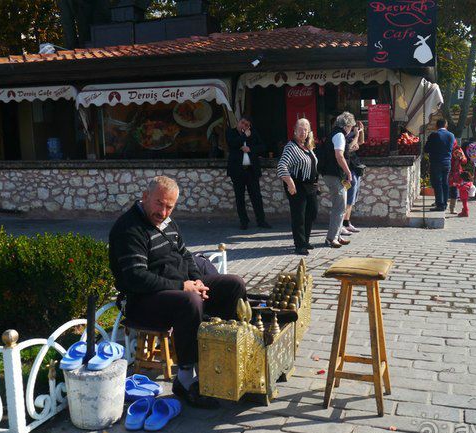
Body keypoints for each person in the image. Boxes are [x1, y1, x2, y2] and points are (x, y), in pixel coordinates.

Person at [108, 176, 246, 409]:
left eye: (169, 206)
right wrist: (184, 287)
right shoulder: (129, 229)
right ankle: (185, 379)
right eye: (159, 204)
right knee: (189, 301)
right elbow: (136, 277)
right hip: (142, 300)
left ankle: (222, 356)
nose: (163, 212)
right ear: (145, 197)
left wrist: (197, 281)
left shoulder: (168, 222)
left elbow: (184, 255)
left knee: (234, 284)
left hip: (176, 288)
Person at [277, 118, 319, 255]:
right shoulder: (291, 146)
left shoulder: (307, 146)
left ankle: (305, 240)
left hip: (310, 186)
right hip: (297, 185)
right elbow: (282, 166)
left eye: (306, 130)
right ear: (295, 131)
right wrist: (290, 183)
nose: (303, 132)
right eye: (300, 129)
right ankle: (299, 245)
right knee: (299, 216)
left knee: (312, 212)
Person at [226, 116, 271, 230]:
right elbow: (232, 144)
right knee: (239, 197)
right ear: (238, 122)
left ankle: (261, 220)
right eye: (242, 123)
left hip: (251, 170)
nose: (243, 126)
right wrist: (244, 136)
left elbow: (262, 147)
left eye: (246, 125)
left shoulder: (253, 133)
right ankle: (244, 221)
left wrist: (250, 149)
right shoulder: (231, 133)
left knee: (256, 196)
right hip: (237, 171)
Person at [320, 111, 355, 248]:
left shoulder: (334, 133)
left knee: (339, 206)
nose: (351, 129)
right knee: (339, 207)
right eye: (351, 127)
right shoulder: (340, 135)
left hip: (331, 174)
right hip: (335, 174)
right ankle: (331, 238)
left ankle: (337, 235)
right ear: (346, 125)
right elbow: (339, 156)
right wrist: (348, 172)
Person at [424, 119, 455, 211]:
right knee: (445, 183)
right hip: (447, 162)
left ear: (436, 126)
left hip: (436, 162)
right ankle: (444, 204)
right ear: (446, 125)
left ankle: (440, 205)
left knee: (437, 183)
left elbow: (426, 149)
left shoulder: (434, 135)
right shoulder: (451, 135)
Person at [341, 121, 365, 235]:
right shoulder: (342, 136)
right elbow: (349, 148)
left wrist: (361, 131)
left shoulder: (351, 135)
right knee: (349, 195)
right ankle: (341, 223)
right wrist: (355, 136)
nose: (353, 127)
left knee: (353, 196)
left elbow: (361, 142)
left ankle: (346, 222)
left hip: (354, 167)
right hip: (347, 169)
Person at [448, 142, 467, 214]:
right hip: (446, 171)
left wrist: (461, 157)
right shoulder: (445, 148)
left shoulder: (458, 149)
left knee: (454, 190)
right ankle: (440, 203)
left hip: (455, 174)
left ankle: (452, 208)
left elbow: (464, 161)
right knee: (443, 188)